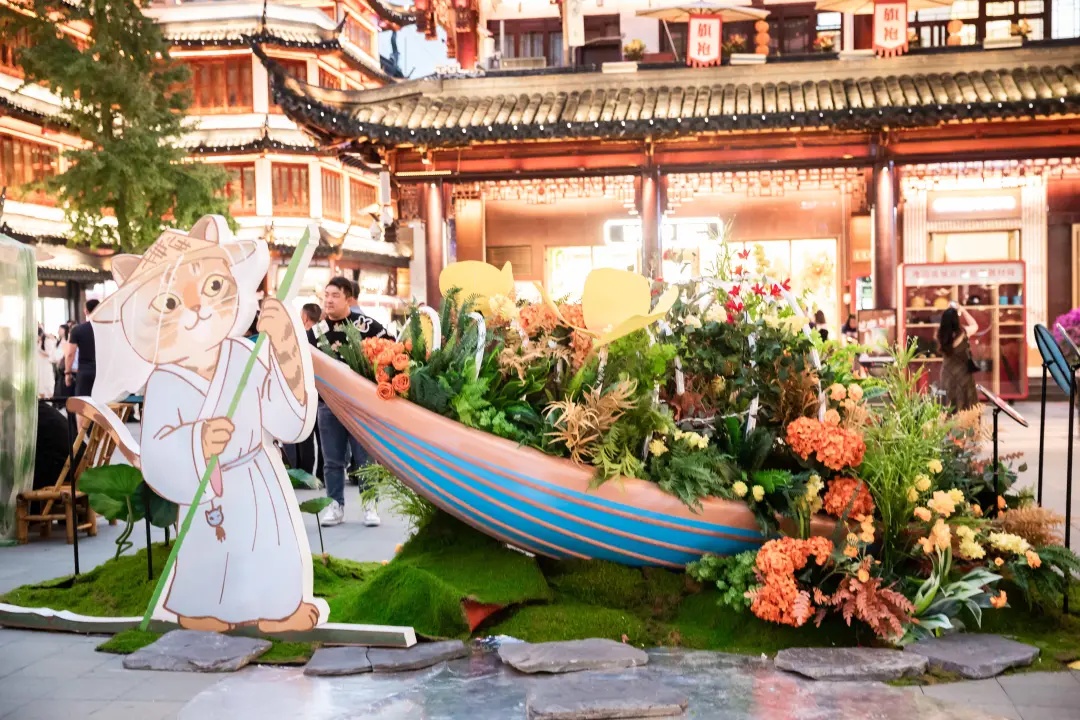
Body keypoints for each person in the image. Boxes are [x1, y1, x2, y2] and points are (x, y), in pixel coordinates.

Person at [307, 276, 389, 527]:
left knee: (365, 458)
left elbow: (391, 347)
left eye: (335, 296)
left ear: (348, 299)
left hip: (360, 406)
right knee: (332, 461)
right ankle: (335, 506)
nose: (329, 300)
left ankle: (370, 505)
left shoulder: (366, 326)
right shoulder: (315, 332)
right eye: (326, 295)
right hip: (328, 406)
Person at [284, 303, 325, 481]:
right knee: (323, 438)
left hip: (306, 394)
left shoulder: (303, 338)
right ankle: (322, 475)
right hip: (324, 395)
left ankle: (306, 474)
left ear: (305, 318)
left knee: (306, 436)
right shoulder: (324, 337)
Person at [937, 303, 979, 412]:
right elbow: (975, 325)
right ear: (956, 320)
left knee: (948, 406)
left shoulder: (941, 335)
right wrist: (963, 310)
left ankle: (948, 423)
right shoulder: (963, 333)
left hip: (947, 374)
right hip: (963, 374)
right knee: (966, 406)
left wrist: (948, 312)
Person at [65, 299, 99, 397]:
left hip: (85, 372)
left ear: (86, 311)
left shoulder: (78, 330)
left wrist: (68, 373)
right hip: (103, 372)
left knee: (83, 402)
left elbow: (70, 354)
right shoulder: (108, 329)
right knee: (102, 403)